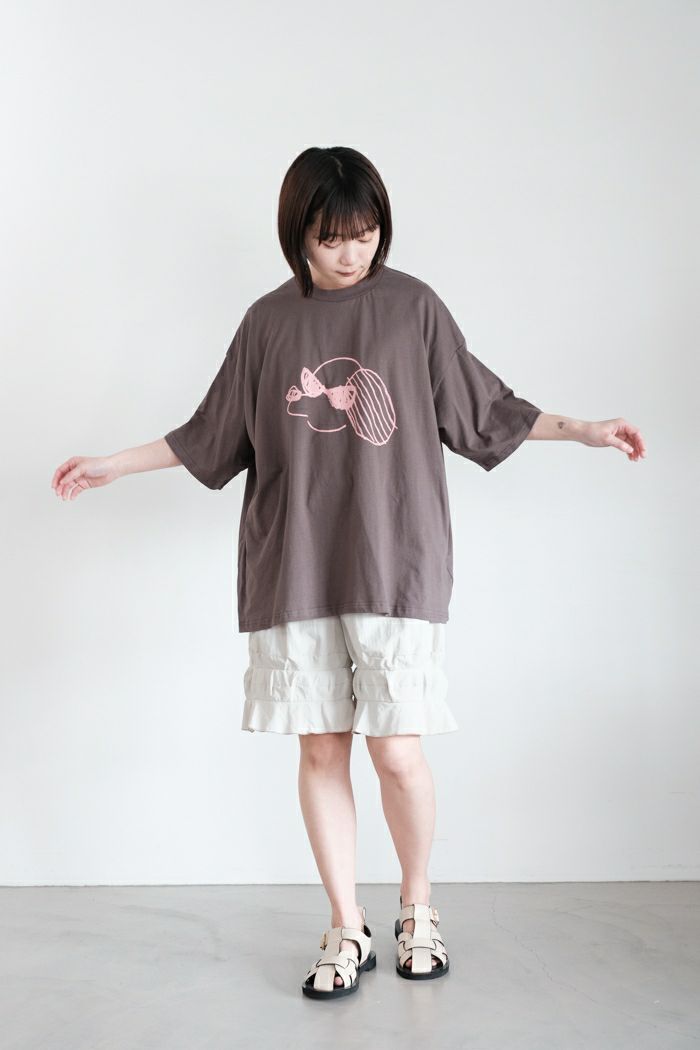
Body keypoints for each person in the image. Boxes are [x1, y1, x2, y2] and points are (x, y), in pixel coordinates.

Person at [51, 146, 646, 1000]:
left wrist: (584, 429)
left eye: (365, 234)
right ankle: (345, 922)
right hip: (294, 567)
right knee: (322, 747)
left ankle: (417, 907)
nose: (352, 252)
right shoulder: (267, 323)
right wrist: (114, 464)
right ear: (298, 233)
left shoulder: (413, 308)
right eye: (332, 237)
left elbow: (484, 410)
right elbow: (211, 434)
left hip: (393, 560)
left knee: (396, 750)